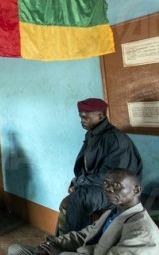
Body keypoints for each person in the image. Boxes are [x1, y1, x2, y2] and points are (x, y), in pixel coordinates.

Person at [6, 169, 159, 255]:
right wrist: (55, 243)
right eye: (106, 184)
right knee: (15, 250)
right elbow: (86, 234)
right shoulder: (116, 213)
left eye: (116, 185)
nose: (109, 189)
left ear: (136, 190)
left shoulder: (141, 232)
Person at [56, 98, 143, 235]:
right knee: (70, 200)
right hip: (99, 184)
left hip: (118, 191)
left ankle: (72, 247)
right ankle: (62, 242)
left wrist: (80, 183)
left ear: (101, 116)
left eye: (86, 117)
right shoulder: (93, 134)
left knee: (79, 198)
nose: (82, 121)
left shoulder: (115, 140)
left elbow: (111, 178)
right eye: (80, 117)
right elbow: (87, 167)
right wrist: (76, 181)